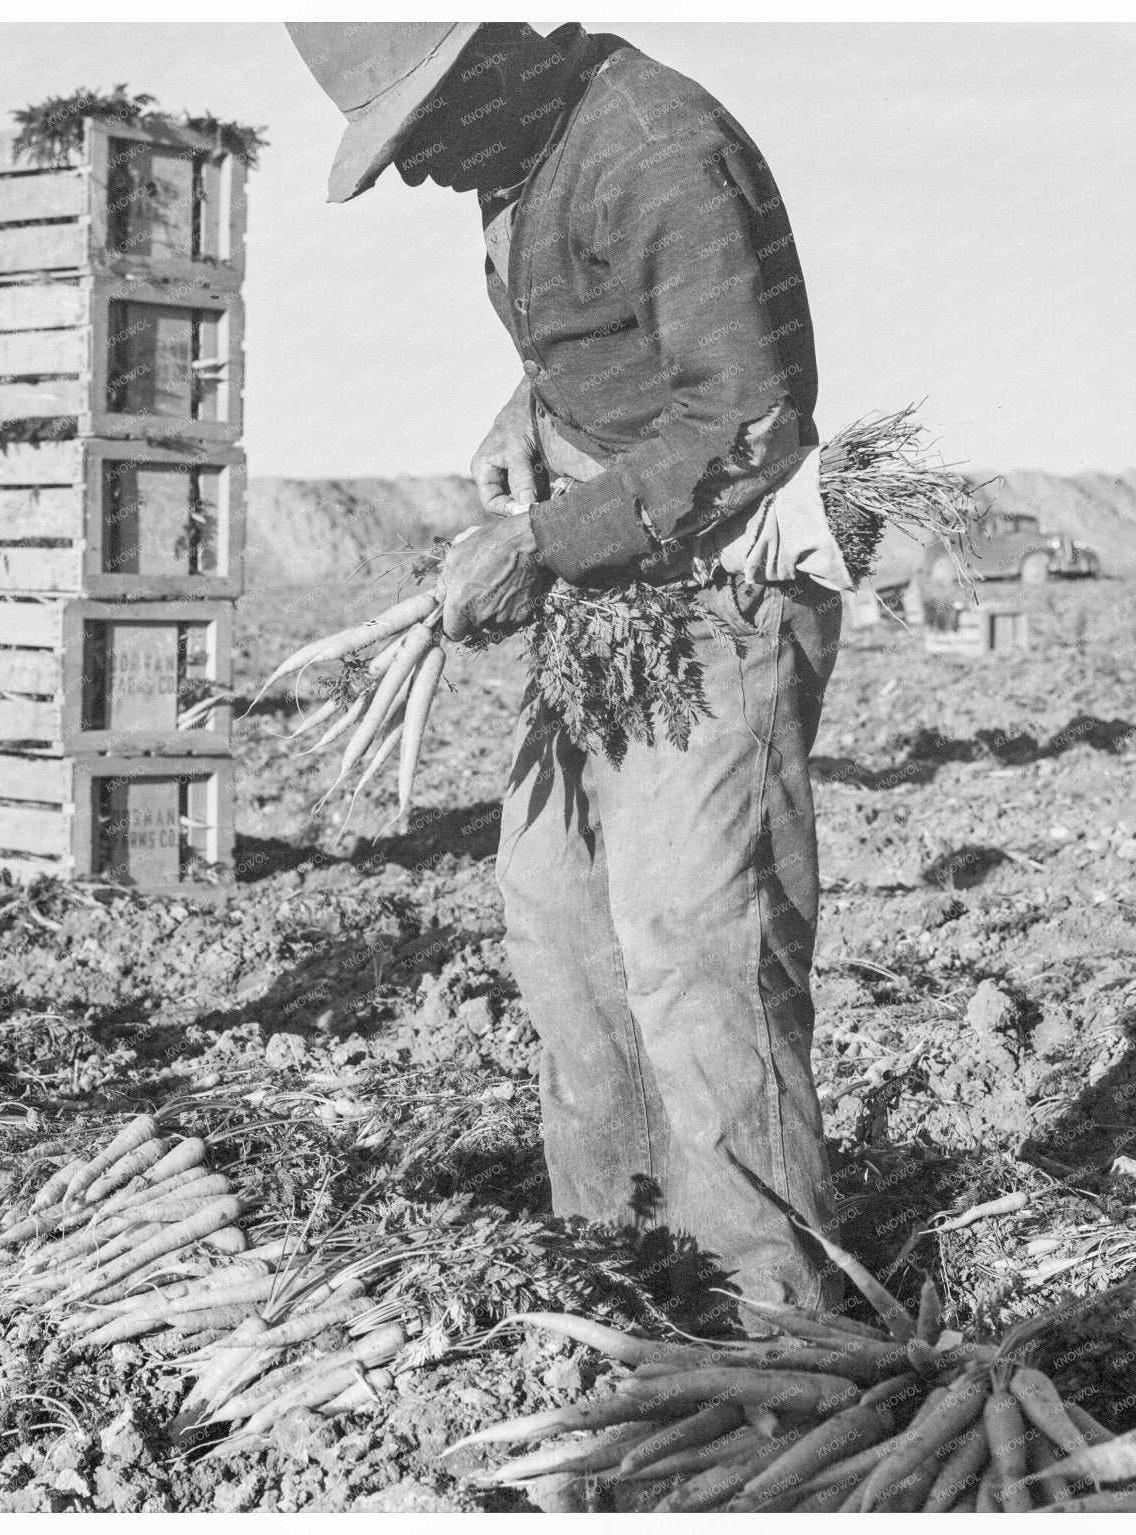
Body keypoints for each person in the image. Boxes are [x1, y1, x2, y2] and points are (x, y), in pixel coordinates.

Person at [288, 21, 848, 1323]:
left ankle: (780, 1339)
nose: (417, 174)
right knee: (565, 943)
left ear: (483, 59)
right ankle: (616, 1290)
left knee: (695, 960)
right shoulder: (516, 145)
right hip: (607, 602)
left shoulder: (654, 145)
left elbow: (751, 421)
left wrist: (540, 544)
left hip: (719, 602)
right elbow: (607, 350)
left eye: (419, 134)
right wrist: (528, 418)